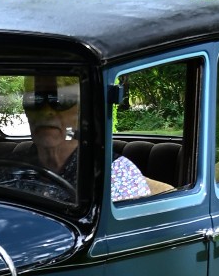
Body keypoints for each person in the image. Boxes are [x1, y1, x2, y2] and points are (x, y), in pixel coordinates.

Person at [22, 75, 173, 201]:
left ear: (82, 110)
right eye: (35, 100)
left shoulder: (114, 175)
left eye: (60, 100)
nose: (46, 111)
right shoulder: (12, 166)